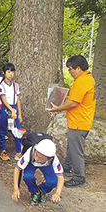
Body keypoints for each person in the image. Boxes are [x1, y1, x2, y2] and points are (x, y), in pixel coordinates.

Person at [49, 55, 96, 188]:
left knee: (76, 151)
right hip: (81, 122)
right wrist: (65, 97)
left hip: (78, 123)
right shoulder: (87, 78)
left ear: (78, 68)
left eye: (70, 69)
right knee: (72, 148)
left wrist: (58, 108)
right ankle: (67, 168)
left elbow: (74, 103)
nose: (69, 72)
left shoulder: (82, 81)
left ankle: (79, 178)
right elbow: (77, 98)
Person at [12, 139, 64, 206]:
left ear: (50, 159)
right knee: (27, 177)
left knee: (53, 181)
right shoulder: (29, 154)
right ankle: (34, 191)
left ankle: (42, 190)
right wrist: (16, 188)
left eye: (41, 158)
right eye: (36, 155)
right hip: (31, 163)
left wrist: (58, 193)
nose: (37, 159)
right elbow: (17, 169)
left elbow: (60, 177)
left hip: (46, 165)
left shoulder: (54, 160)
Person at [0, 63, 23, 161]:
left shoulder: (16, 85)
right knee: (3, 131)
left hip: (14, 108)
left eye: (12, 72)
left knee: (18, 131)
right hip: (4, 109)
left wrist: (19, 113)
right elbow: (3, 99)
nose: (10, 74)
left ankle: (19, 152)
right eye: (8, 72)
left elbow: (18, 100)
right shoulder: (2, 85)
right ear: (4, 73)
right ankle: (3, 151)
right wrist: (12, 111)